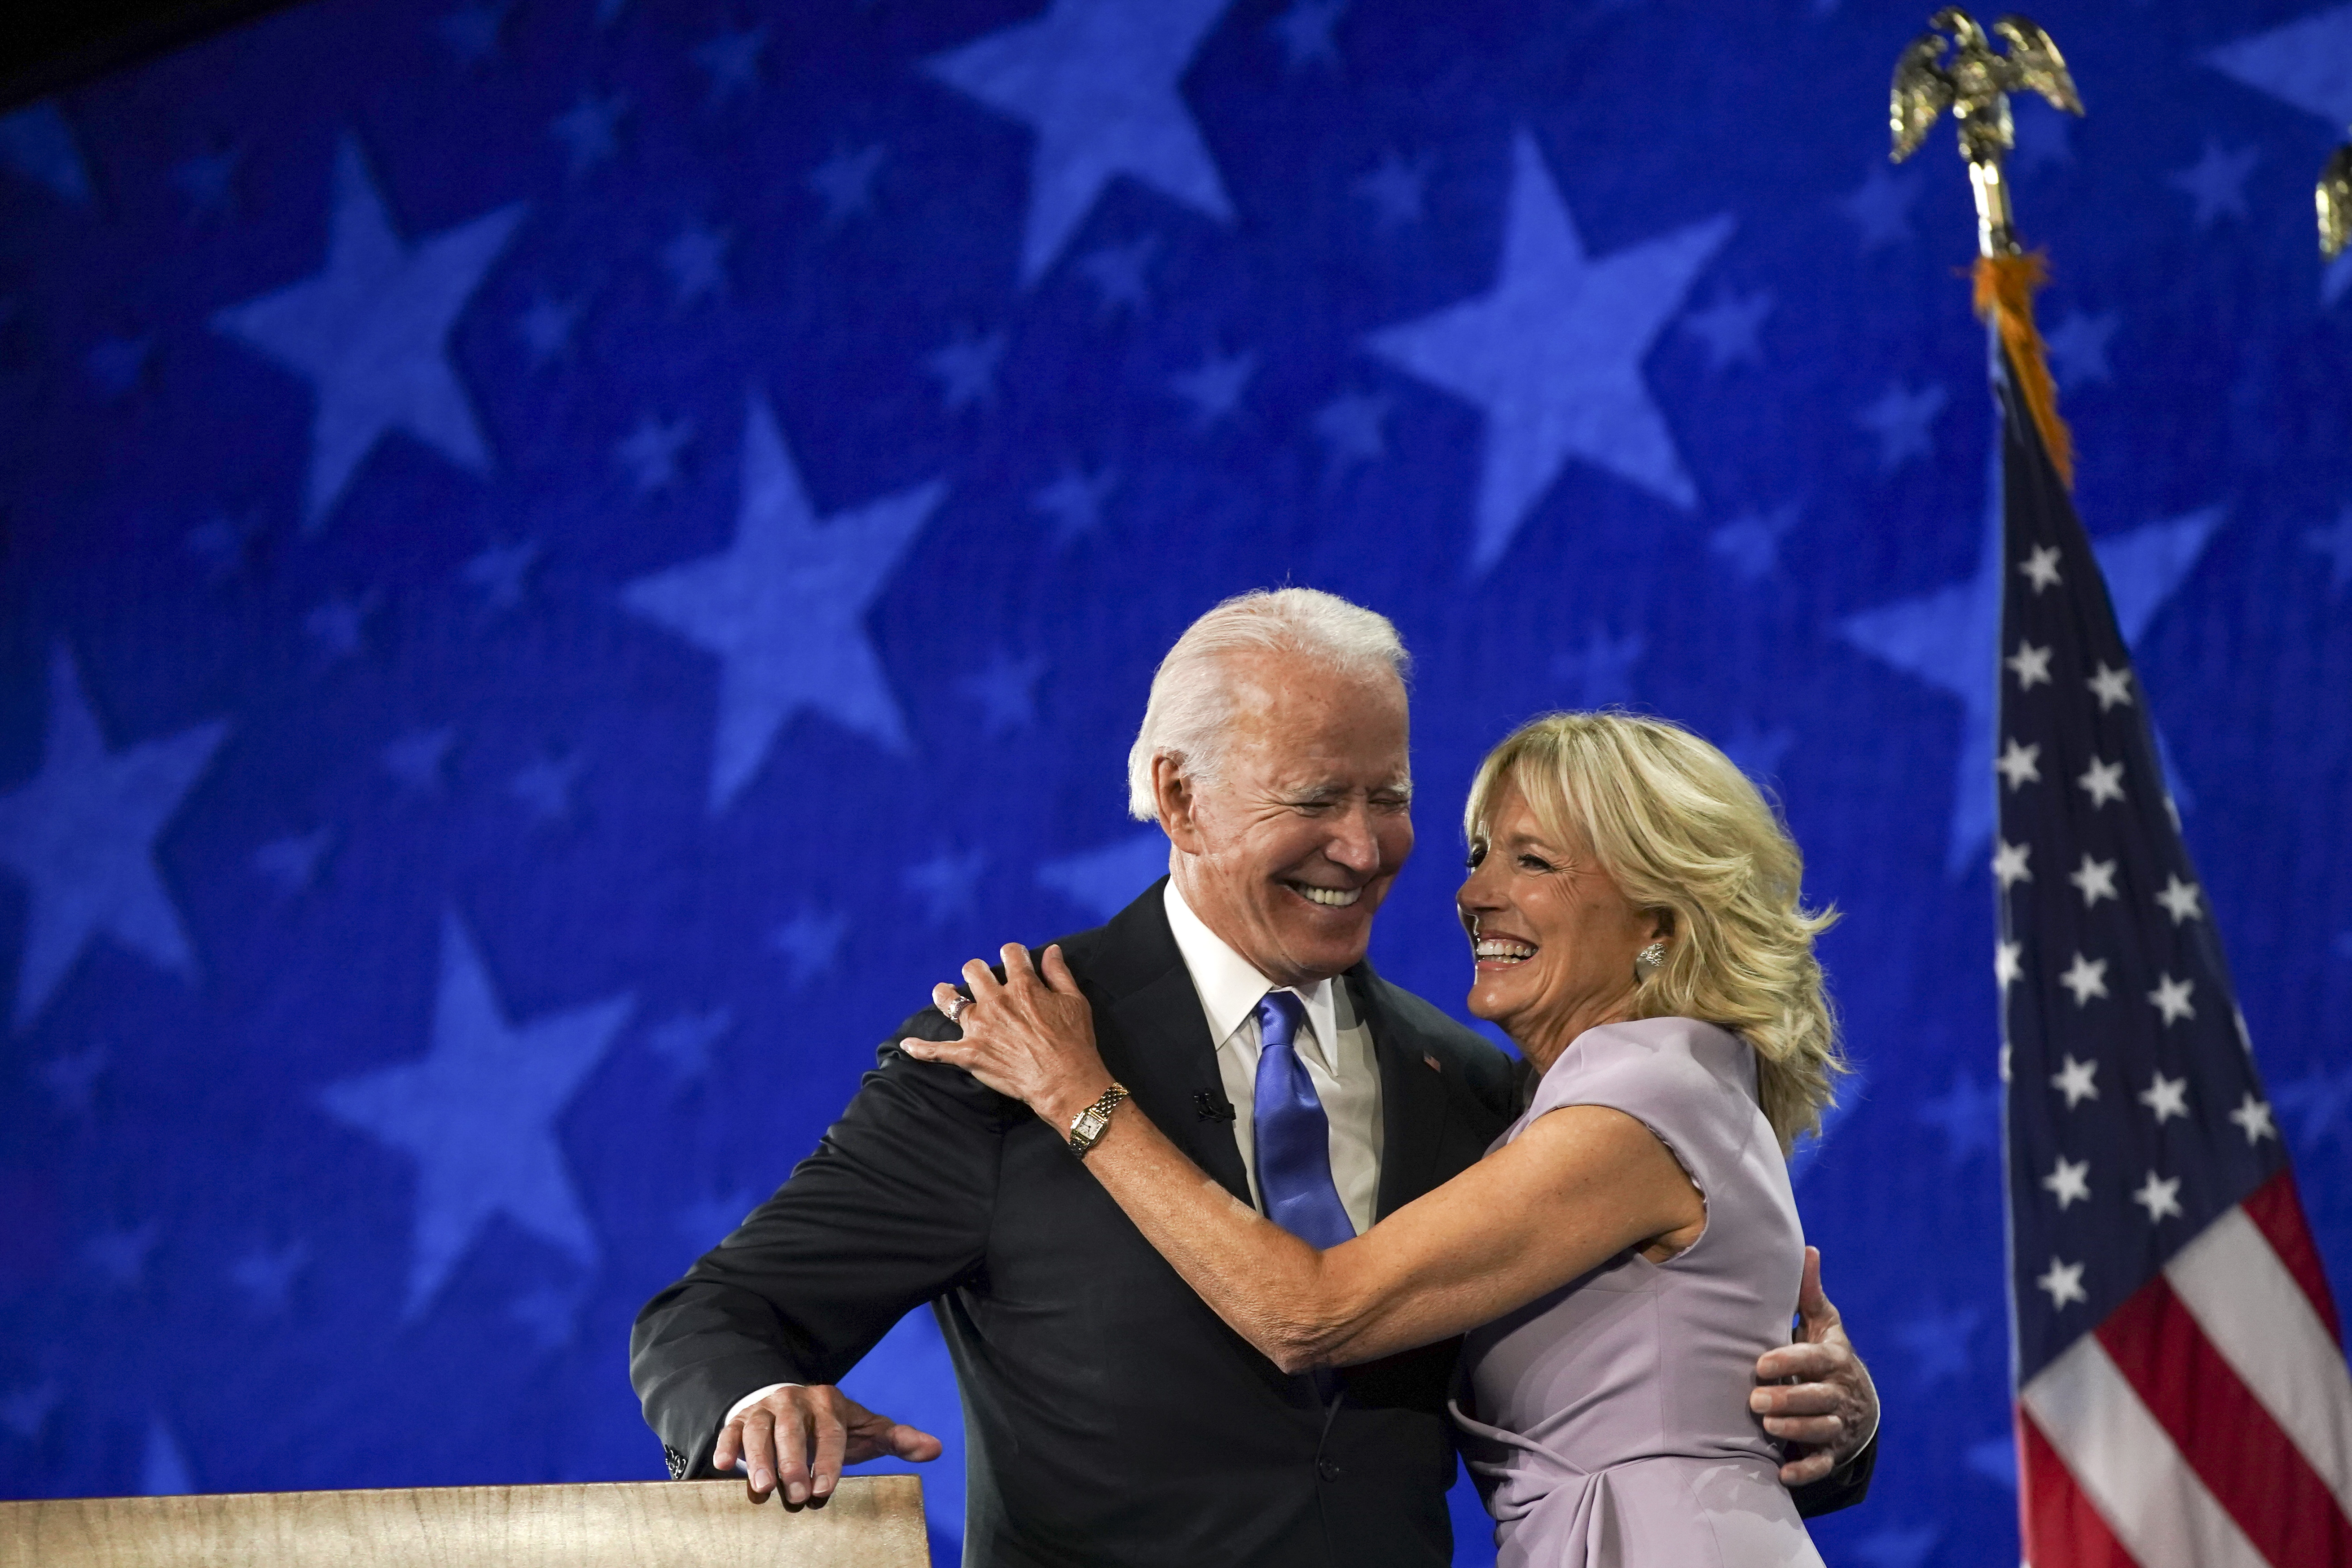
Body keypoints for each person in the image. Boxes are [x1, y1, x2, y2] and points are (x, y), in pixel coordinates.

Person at [630, 592, 1877, 1567]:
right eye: (1315, 796)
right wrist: (755, 1399)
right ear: (1181, 794)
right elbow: (711, 1312)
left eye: (1388, 797)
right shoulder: (1008, 1046)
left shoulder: (1474, 1086)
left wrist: (1821, 1422)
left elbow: (1607, 1385)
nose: (1366, 846)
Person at [909, 708, 1853, 1565]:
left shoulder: (1643, 1094)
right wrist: (1846, 1412)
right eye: (1480, 852)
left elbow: (1311, 1313)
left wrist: (1080, 1095)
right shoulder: (1580, 1094)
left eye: (1531, 860)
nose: (1472, 892)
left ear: (1656, 912)